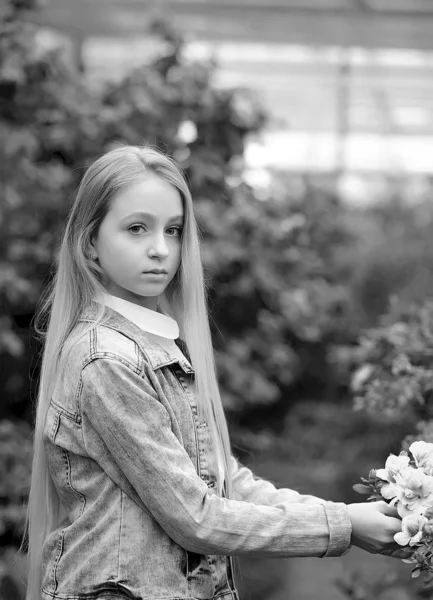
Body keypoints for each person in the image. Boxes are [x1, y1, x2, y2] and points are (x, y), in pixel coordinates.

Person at [22, 145, 408, 600]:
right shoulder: (105, 361)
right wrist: (342, 526)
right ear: (90, 243)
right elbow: (196, 517)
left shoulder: (153, 346)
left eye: (174, 230)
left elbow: (226, 483)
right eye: (136, 228)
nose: (160, 249)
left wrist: (345, 514)